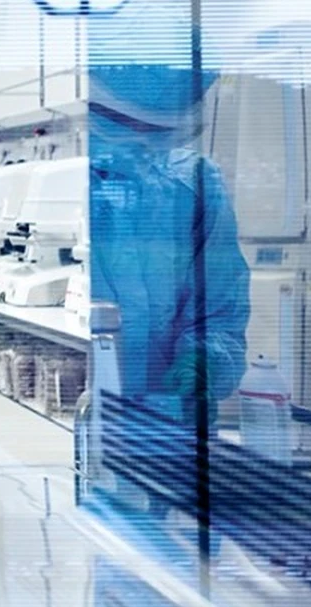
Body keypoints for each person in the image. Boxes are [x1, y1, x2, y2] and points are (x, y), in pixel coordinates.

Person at [87, 60, 250, 422]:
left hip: (163, 421)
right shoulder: (58, 188)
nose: (138, 140)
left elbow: (219, 313)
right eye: (121, 123)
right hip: (64, 413)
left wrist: (205, 362)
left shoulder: (195, 187)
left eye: (156, 131)